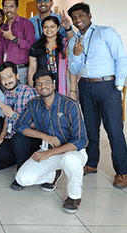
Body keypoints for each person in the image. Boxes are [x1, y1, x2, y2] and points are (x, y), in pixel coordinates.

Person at [67, 2, 127, 188]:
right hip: (85, 85)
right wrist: (76, 54)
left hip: (107, 85)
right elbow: (73, 68)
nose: (78, 20)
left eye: (81, 16)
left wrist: (118, 87)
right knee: (90, 129)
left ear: (89, 15)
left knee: (114, 130)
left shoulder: (106, 32)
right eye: (74, 18)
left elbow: (121, 58)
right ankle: (91, 164)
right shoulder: (73, 41)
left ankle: (123, 172)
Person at [15, 70, 88, 214]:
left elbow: (81, 139)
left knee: (70, 160)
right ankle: (53, 175)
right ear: (35, 87)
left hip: (73, 151)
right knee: (22, 178)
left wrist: (49, 153)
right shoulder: (34, 104)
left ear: (54, 85)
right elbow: (19, 125)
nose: (43, 86)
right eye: (39, 83)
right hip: (48, 151)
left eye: (47, 82)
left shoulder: (70, 105)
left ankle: (74, 197)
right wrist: (44, 137)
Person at [0, 62, 40, 190]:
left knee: (19, 137)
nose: (7, 81)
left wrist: (13, 115)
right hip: (13, 138)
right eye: (3, 78)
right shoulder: (7, 94)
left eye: (9, 76)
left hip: (30, 138)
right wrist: (1, 136)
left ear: (17, 76)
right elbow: (7, 118)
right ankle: (21, 158)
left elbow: (37, 124)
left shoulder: (29, 93)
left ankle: (22, 176)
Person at [28, 16, 77, 100]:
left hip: (64, 88)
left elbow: (73, 69)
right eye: (45, 27)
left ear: (58, 28)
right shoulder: (36, 47)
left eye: (52, 26)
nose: (49, 29)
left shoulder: (66, 44)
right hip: (43, 87)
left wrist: (73, 91)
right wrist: (30, 90)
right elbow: (32, 69)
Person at [0, 0, 36, 84]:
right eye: (6, 7)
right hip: (5, 71)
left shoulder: (26, 24)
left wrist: (13, 39)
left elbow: (32, 47)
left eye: (12, 6)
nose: (8, 10)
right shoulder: (3, 27)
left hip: (21, 70)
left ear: (17, 8)